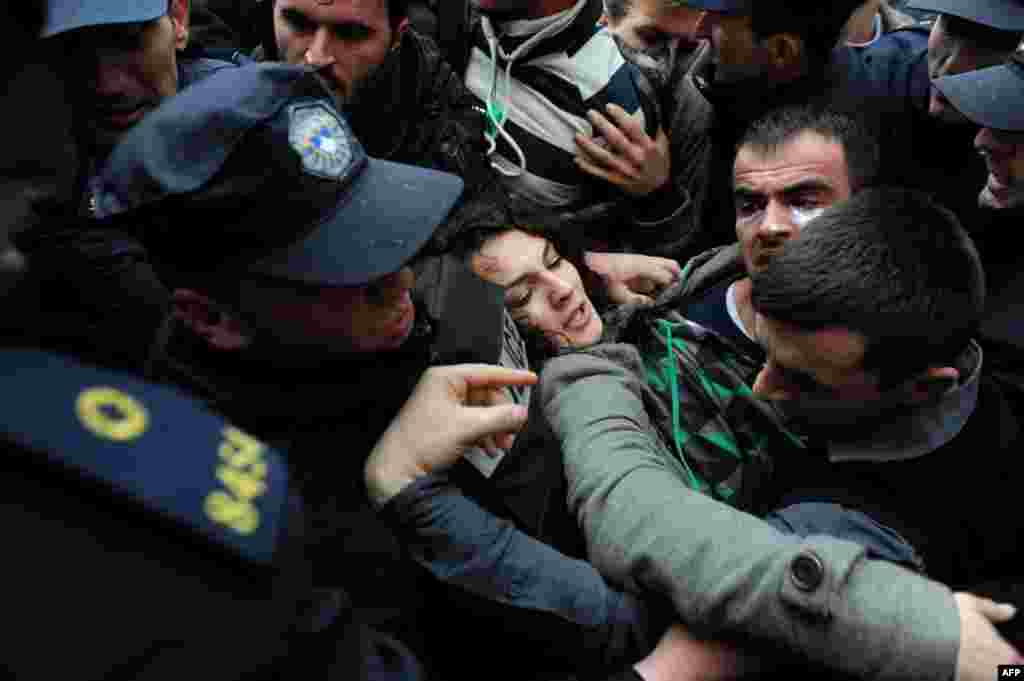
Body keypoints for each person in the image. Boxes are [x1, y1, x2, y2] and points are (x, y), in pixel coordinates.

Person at [540, 188, 1024, 681]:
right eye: (765, 353)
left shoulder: (849, 530)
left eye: (802, 378)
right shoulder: (937, 328)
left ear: (923, 387)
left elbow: (639, 522)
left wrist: (585, 376)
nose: (762, 386)